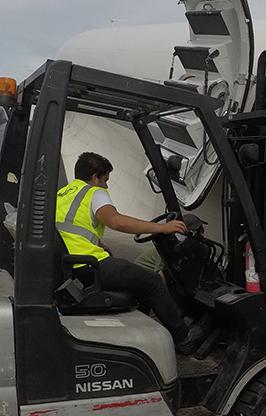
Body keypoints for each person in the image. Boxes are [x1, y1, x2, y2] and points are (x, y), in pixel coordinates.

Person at [56, 151, 204, 354]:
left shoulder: (63, 193)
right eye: (105, 180)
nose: (106, 186)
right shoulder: (94, 193)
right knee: (153, 281)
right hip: (91, 265)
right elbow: (117, 221)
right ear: (94, 178)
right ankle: (184, 338)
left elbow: (70, 227)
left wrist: (98, 243)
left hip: (72, 264)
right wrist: (162, 228)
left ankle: (142, 337)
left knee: (137, 281)